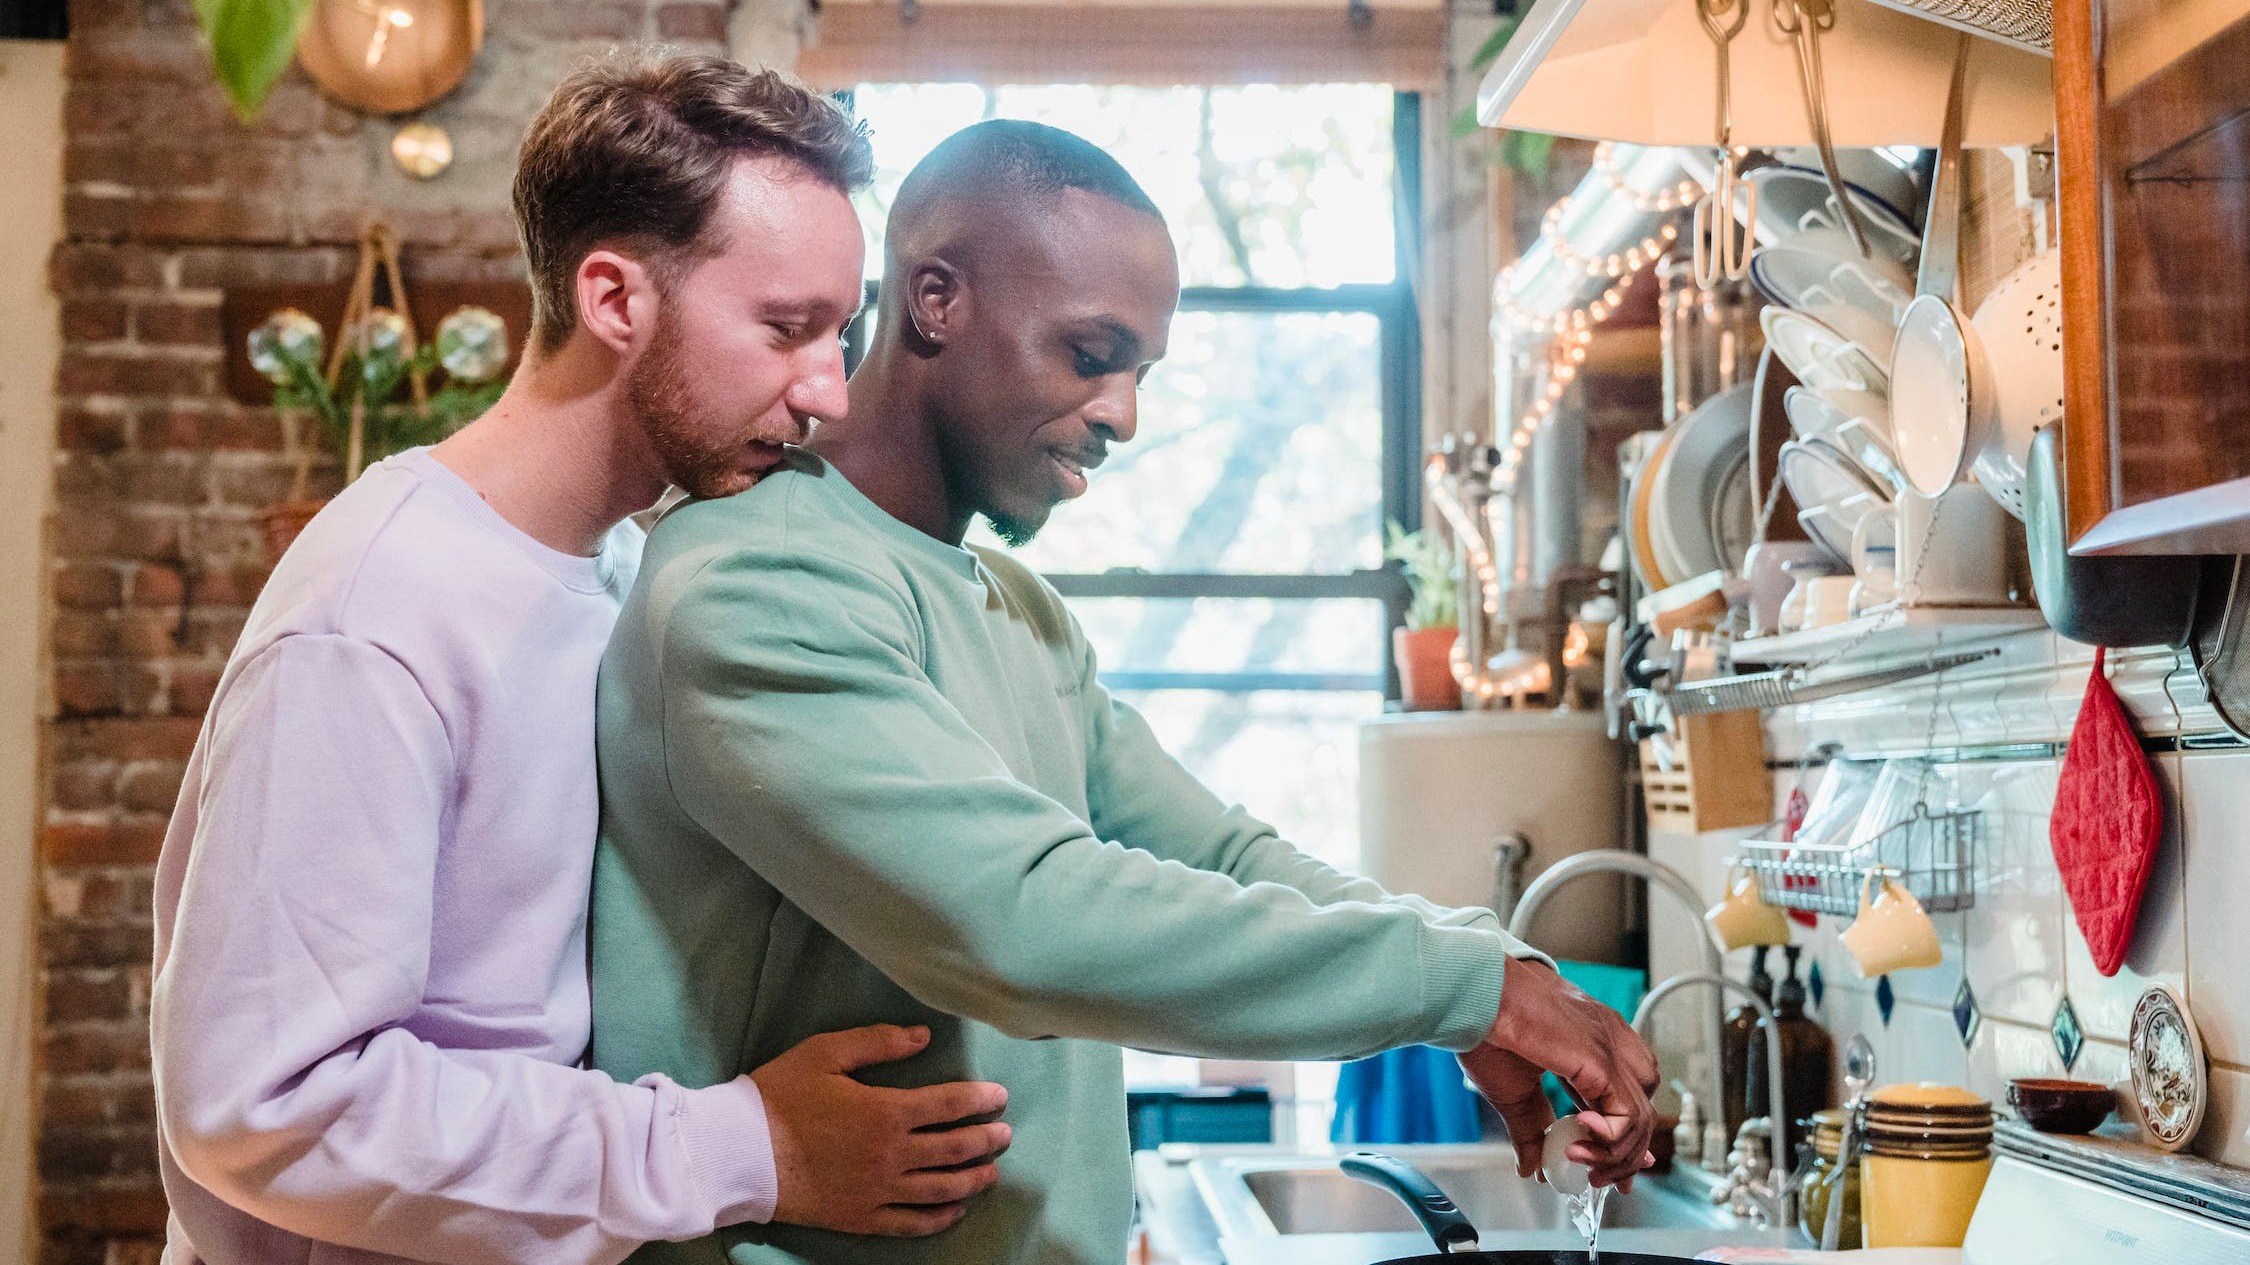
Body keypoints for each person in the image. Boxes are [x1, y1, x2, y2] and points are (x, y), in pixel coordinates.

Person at [588, 119, 1659, 1265]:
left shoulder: (1015, 607)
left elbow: (1223, 856)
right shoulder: (760, 579)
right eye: (1091, 352)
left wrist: (1492, 964)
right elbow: (1024, 917)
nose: (1123, 413)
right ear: (936, 300)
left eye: (1140, 372)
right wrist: (1465, 988)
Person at [149, 51, 1011, 1265]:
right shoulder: (372, 617)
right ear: (615, 300)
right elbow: (270, 1104)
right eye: (786, 329)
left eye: (841, 331)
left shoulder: (621, 570)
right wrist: (745, 1146)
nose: (826, 389)